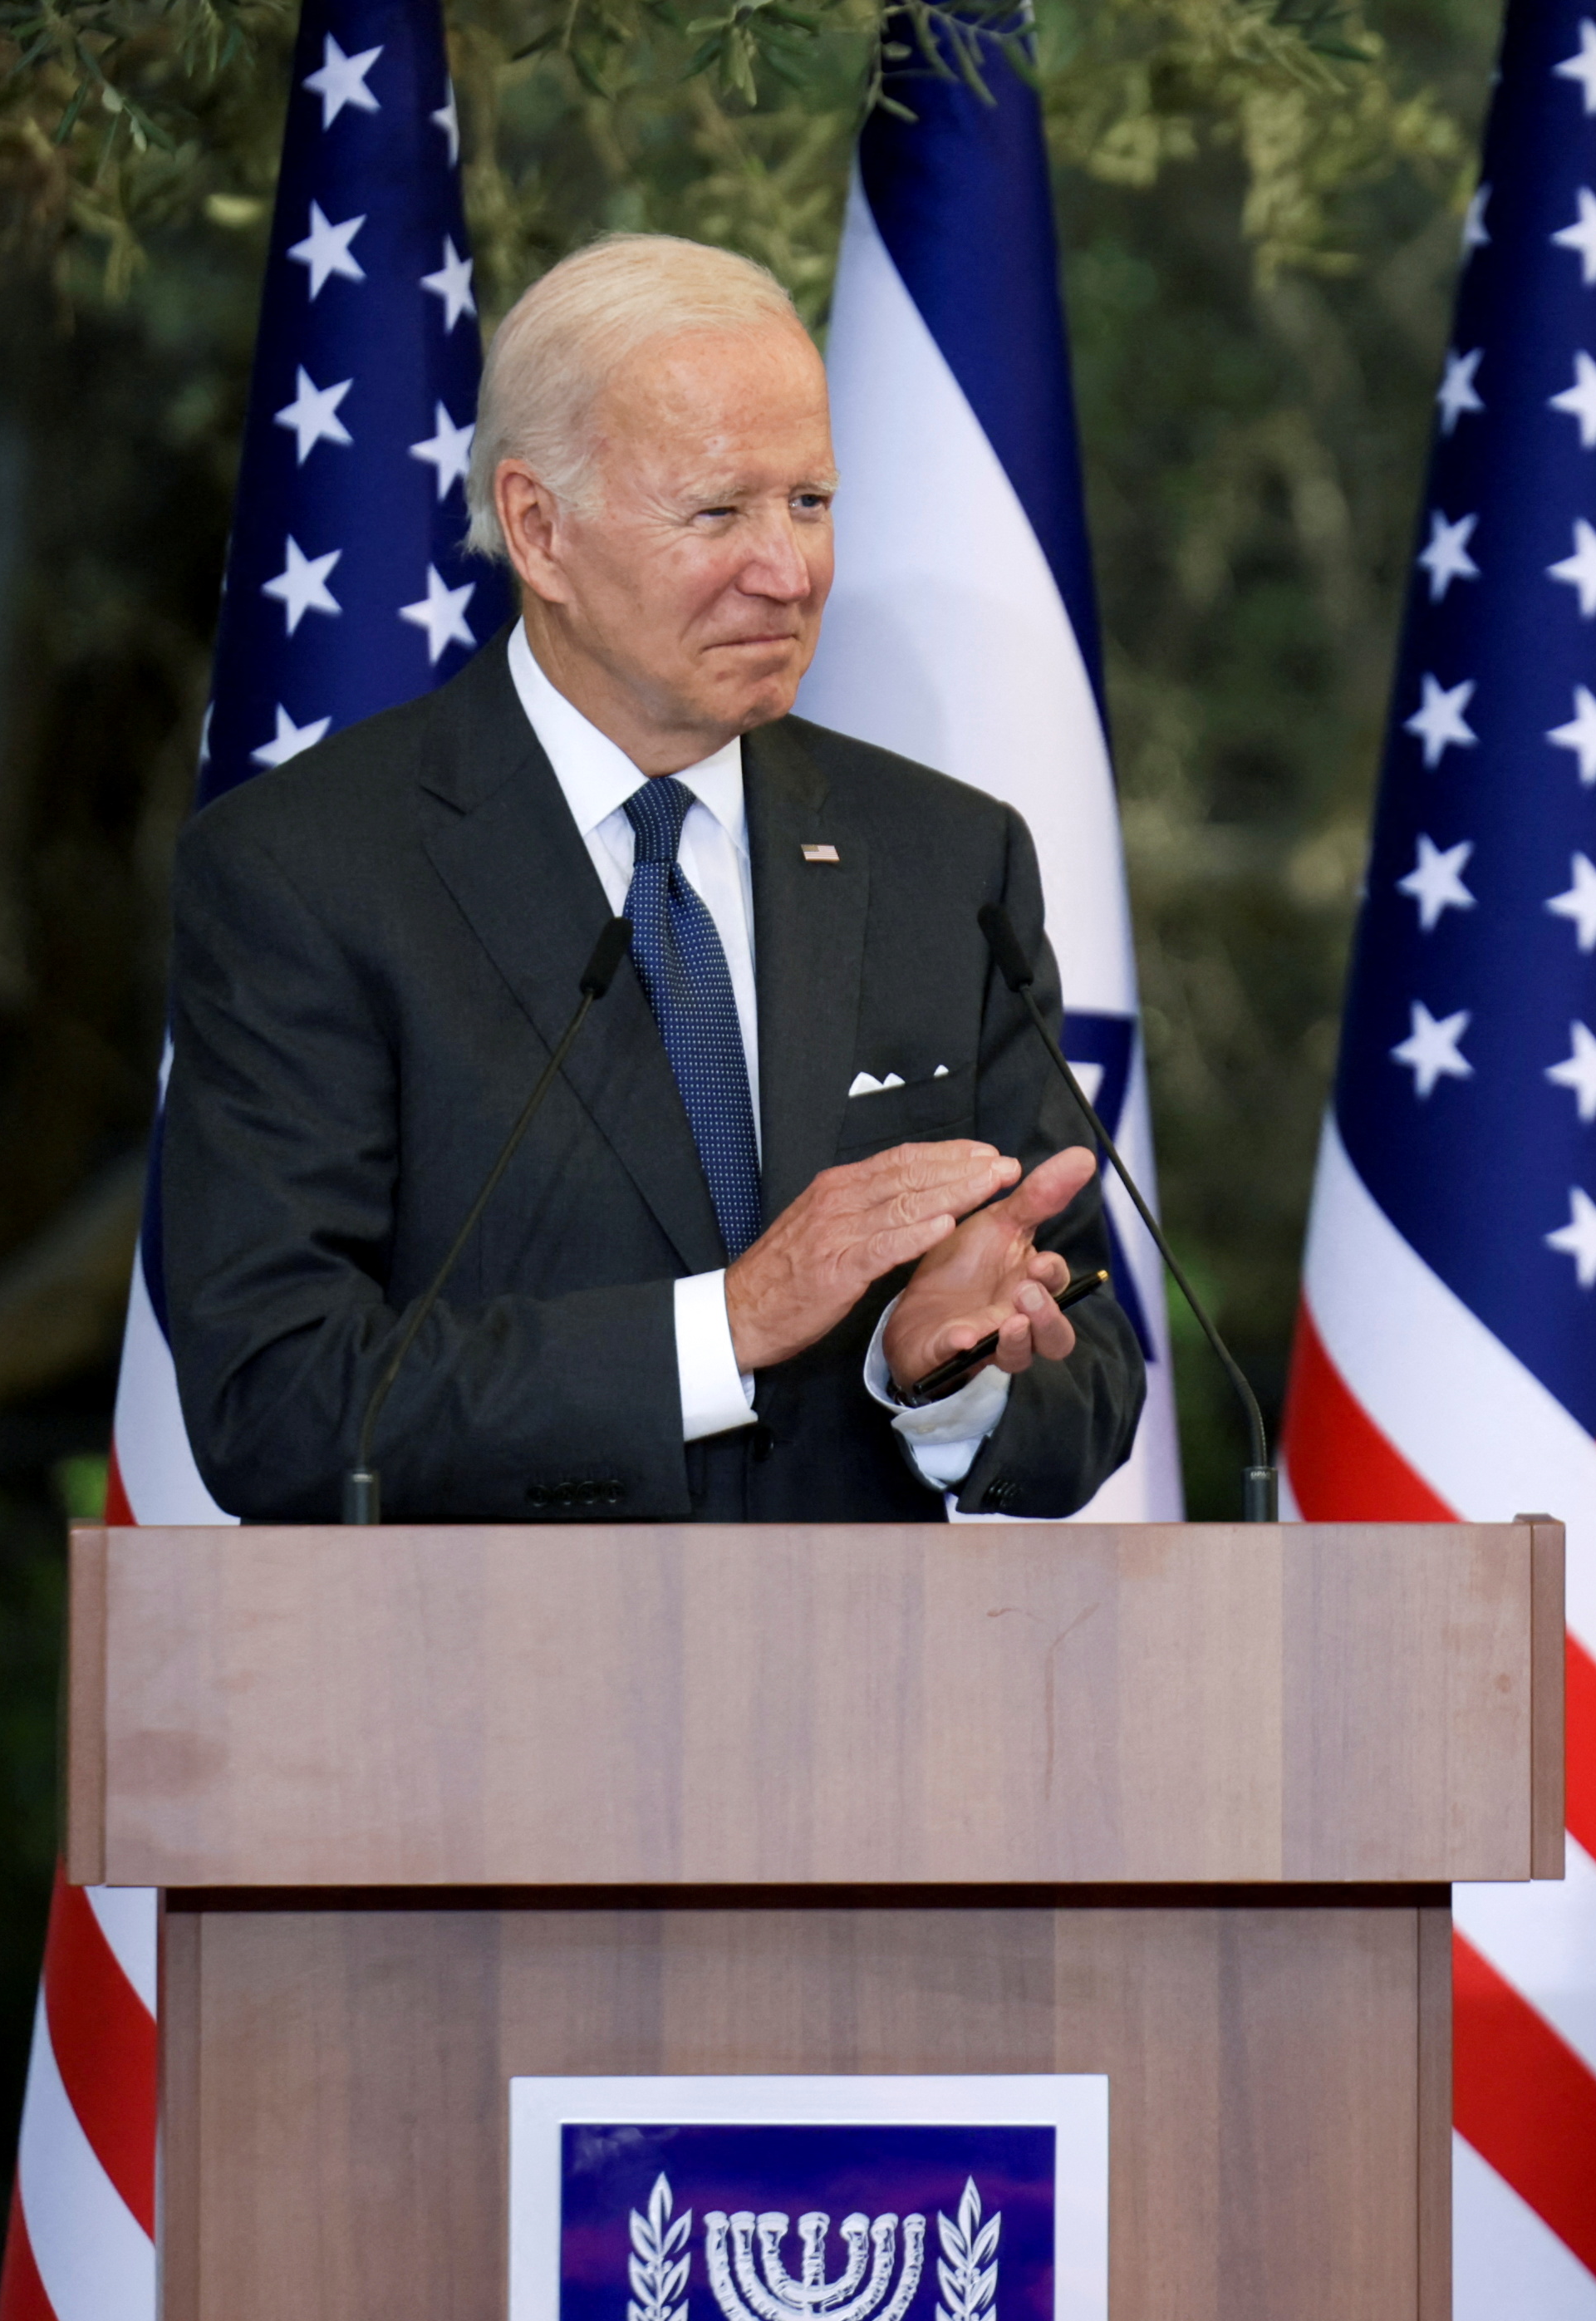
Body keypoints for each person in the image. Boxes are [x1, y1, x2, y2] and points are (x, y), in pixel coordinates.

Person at [161, 233, 1147, 1522]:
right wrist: (724, 1326)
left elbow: (1092, 1370)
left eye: (810, 502)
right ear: (539, 529)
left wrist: (947, 1378)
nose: (788, 572)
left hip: (869, 1648)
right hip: (477, 1648)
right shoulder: (310, 871)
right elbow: (275, 1399)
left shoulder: (948, 860)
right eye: (718, 511)